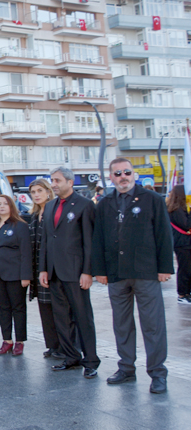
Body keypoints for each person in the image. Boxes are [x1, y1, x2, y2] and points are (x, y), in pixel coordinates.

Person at [93, 158, 174, 394]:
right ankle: (126, 368)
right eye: (117, 174)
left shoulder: (152, 199)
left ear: (134, 174)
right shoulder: (105, 203)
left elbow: (163, 234)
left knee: (153, 325)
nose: (123, 177)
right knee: (122, 324)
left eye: (127, 172)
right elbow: (98, 238)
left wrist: (165, 268)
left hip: (145, 271)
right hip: (116, 272)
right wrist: (100, 270)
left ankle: (158, 373)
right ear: (111, 178)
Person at [39, 167, 100, 379]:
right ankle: (71, 356)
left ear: (70, 182)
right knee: (61, 318)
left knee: (83, 317)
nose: (53, 184)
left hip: (75, 272)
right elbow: (46, 240)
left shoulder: (84, 205)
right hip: (55, 273)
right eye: (52, 180)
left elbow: (89, 242)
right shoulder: (49, 207)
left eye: (57, 180)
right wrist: (43, 269)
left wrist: (87, 272)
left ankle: (91, 360)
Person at [0, 194, 31, 355]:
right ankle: (7, 339)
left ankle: (20, 341)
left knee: (18, 307)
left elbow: (26, 252)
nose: (1, 206)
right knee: (2, 307)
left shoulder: (20, 225)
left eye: (5, 203)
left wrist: (26, 275)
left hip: (14, 274)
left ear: (11, 206)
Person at [26, 178, 61, 359]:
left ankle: (64, 345)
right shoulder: (34, 215)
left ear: (48, 192)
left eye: (40, 191)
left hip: (53, 268)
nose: (36, 195)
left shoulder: (55, 211)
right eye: (33, 192)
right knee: (44, 308)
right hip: (37, 268)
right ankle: (53, 345)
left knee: (59, 310)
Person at [167, 185, 191, 304]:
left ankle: (187, 292)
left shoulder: (180, 208)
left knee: (188, 269)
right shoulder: (176, 209)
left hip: (186, 242)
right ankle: (182, 294)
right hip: (182, 243)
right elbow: (186, 225)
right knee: (185, 269)